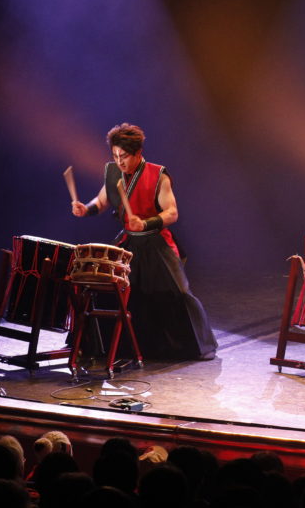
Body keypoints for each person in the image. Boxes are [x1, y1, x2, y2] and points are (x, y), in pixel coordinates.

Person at [71, 123, 217, 360]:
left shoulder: (158, 175)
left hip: (155, 242)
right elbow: (101, 200)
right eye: (115, 155)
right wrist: (85, 209)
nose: (119, 161)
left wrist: (146, 223)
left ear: (138, 153)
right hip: (129, 243)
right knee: (114, 291)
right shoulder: (113, 172)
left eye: (124, 156)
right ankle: (116, 348)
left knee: (177, 293)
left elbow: (172, 213)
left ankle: (196, 348)